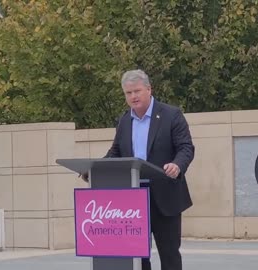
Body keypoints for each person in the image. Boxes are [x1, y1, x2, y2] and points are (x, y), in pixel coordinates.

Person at [82, 69, 195, 270]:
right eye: (128, 93)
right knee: (137, 257)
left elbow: (186, 147)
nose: (133, 96)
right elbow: (115, 152)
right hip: (132, 200)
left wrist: (177, 165)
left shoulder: (171, 115)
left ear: (149, 89)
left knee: (169, 255)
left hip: (164, 197)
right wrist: (94, 170)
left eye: (137, 91)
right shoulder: (125, 120)